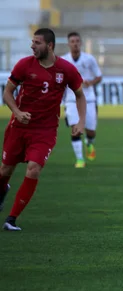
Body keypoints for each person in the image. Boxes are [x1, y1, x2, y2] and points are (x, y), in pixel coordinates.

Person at [0, 28, 85, 231]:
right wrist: (17, 112)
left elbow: (80, 95)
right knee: (5, 170)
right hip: (18, 127)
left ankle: (11, 219)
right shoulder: (24, 65)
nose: (32, 46)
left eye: (37, 43)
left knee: (34, 169)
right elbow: (8, 93)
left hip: (45, 131)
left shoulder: (66, 70)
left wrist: (81, 122)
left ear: (49, 46)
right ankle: (3, 189)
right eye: (32, 42)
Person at [62, 31, 103, 168]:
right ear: (68, 44)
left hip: (89, 99)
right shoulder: (63, 61)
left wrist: (89, 83)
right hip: (71, 100)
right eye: (72, 42)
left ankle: (89, 142)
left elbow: (99, 76)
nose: (75, 44)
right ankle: (80, 159)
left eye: (77, 41)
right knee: (75, 128)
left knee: (90, 130)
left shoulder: (89, 59)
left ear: (81, 43)